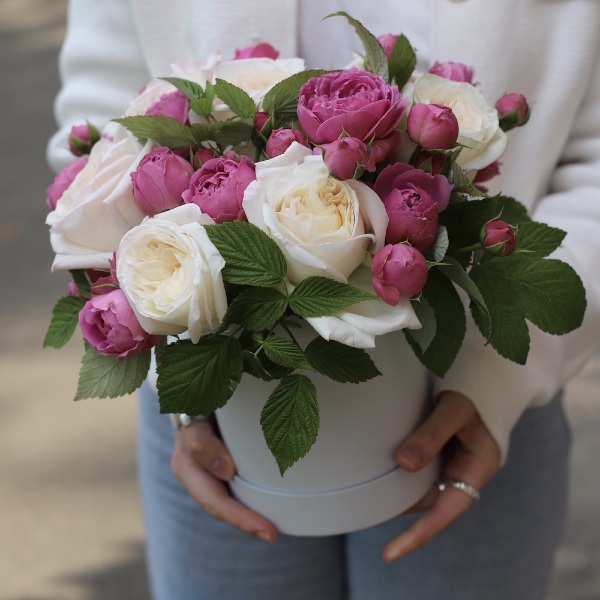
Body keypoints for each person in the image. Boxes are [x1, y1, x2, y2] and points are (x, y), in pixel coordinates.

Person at [47, 1, 600, 598]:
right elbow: (102, 123)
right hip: (214, 416)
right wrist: (176, 365)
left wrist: (497, 383)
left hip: (482, 403)